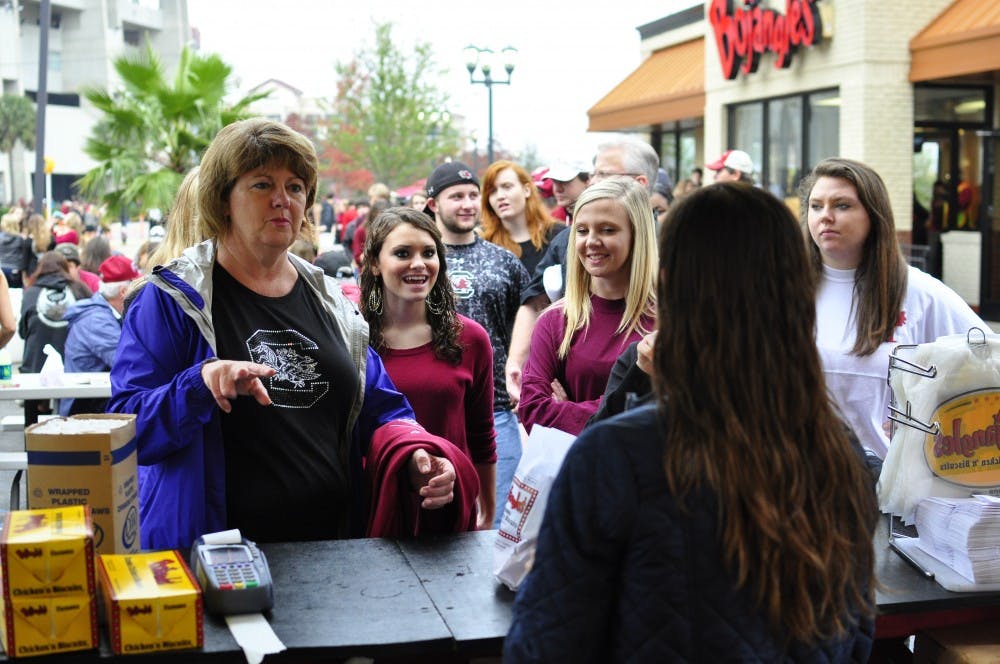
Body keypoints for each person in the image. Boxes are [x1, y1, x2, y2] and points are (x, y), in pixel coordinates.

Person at [506, 183, 878, 662]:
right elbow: (858, 635)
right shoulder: (840, 451)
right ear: (799, 290)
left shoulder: (617, 457)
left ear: (670, 280)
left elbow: (545, 648)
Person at [108, 118, 475, 549]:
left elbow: (383, 409)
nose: (283, 200)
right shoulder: (171, 300)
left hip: (334, 557)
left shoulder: (332, 301)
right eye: (262, 185)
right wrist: (200, 384)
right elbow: (126, 431)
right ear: (222, 199)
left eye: (296, 187)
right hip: (213, 563)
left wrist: (417, 456)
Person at [803, 157, 985, 459]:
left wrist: (936, 421)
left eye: (842, 205)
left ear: (873, 215)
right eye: (816, 206)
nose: (826, 216)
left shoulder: (918, 292)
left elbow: (988, 366)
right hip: (797, 486)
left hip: (887, 494)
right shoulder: (786, 291)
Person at [360, 207, 497, 530]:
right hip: (375, 510)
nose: (419, 264)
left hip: (449, 507)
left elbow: (481, 434)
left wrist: (488, 509)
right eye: (403, 253)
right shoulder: (351, 339)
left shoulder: (472, 339)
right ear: (375, 264)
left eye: (429, 253)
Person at [423, 161, 530, 528]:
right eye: (456, 197)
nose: (467, 204)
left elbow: (529, 326)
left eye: (472, 196)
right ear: (433, 203)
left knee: (498, 524)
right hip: (431, 410)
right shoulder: (419, 261)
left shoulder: (506, 262)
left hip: (496, 410)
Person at [517, 178, 656, 436]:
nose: (591, 241)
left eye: (607, 230)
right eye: (581, 231)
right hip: (579, 471)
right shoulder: (555, 321)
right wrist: (612, 408)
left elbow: (669, 410)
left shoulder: (668, 319)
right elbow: (532, 411)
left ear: (638, 235)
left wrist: (570, 409)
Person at [59, 255, 143, 416]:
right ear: (124, 292)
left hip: (90, 402)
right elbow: (128, 362)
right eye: (138, 288)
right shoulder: (97, 321)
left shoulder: (103, 314)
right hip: (83, 410)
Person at [19, 252, 92, 422]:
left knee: (32, 415)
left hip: (34, 366)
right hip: (73, 366)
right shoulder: (79, 289)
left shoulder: (31, 293)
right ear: (65, 269)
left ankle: (32, 441)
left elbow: (23, 332)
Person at [480, 160, 563, 275]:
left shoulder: (559, 235)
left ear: (526, 190)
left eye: (507, 187)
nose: (500, 196)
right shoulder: (484, 243)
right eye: (492, 191)